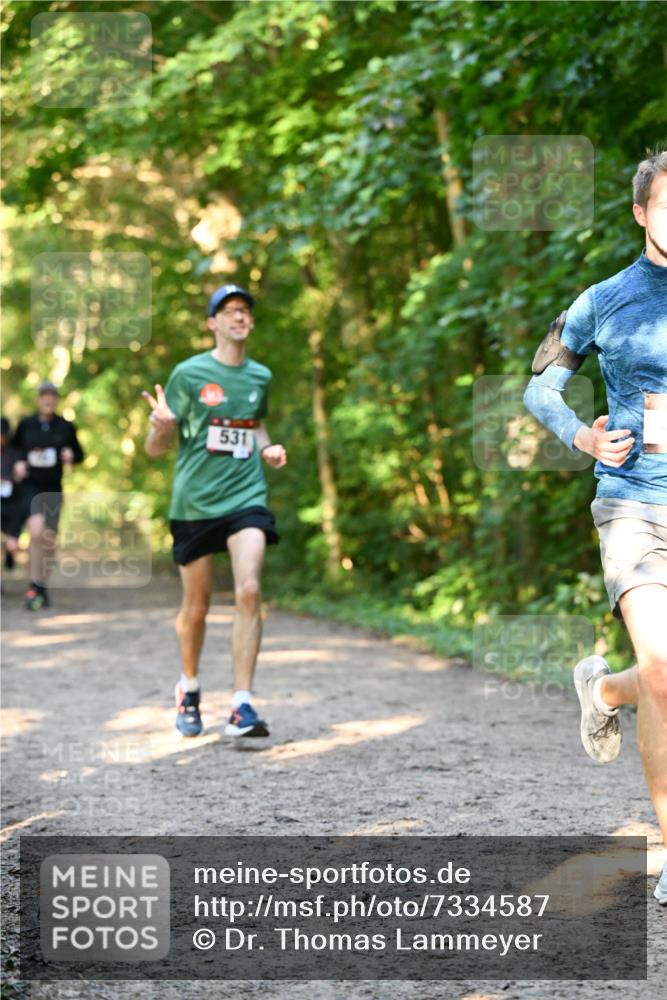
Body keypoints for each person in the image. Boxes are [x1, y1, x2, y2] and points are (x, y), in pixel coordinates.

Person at [524, 150, 667, 905]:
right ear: (640, 213)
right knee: (665, 666)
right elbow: (538, 383)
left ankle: (605, 692)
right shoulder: (603, 299)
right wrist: (581, 435)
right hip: (633, 503)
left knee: (651, 676)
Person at [143, 284, 287, 739]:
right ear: (212, 323)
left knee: (248, 589)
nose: (238, 317)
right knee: (197, 607)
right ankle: (189, 688)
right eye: (228, 311)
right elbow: (155, 449)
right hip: (195, 502)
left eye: (244, 310)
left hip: (246, 495)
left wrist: (269, 448)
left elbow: (254, 423)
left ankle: (242, 704)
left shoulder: (260, 376)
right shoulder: (189, 374)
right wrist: (162, 429)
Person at [11, 382, 84, 610]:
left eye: (52, 396)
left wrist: (71, 455)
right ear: (38, 399)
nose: (48, 400)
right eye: (44, 396)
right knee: (35, 532)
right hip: (31, 487)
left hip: (53, 487)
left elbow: (80, 454)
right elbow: (12, 450)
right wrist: (18, 464)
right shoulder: (26, 424)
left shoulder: (65, 426)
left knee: (49, 539)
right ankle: (34, 584)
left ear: (56, 400)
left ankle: (41, 586)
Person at [1, 416, 23, 582]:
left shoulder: (16, 452)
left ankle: (9, 554)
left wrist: (14, 477)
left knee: (11, 542)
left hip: (13, 502)